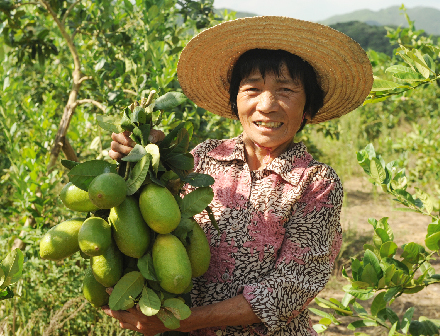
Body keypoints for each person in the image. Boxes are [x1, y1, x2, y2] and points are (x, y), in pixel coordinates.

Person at [104, 16, 373, 336]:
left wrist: (182, 320)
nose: (267, 105)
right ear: (235, 102)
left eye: (286, 90)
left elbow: (289, 290)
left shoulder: (315, 183)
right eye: (253, 89)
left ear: (308, 110)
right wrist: (140, 157)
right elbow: (154, 216)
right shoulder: (204, 157)